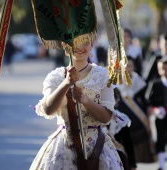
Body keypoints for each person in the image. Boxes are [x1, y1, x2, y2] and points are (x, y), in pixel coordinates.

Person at [29, 33, 124, 170]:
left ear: (92, 44)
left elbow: (106, 117)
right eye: (75, 42)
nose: (80, 47)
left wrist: (85, 100)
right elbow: (48, 110)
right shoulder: (55, 77)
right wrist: (66, 83)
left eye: (85, 42)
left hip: (96, 151)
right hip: (63, 147)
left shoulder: (102, 76)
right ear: (65, 44)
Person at [116, 57, 154, 163]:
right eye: (126, 66)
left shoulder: (138, 80)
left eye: (130, 66)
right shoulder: (117, 81)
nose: (128, 68)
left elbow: (144, 98)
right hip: (123, 115)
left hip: (137, 117)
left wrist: (148, 106)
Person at [104, 88, 137, 170]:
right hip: (102, 159)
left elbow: (128, 143)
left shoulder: (121, 119)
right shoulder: (95, 119)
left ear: (116, 100)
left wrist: (132, 164)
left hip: (120, 159)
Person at [146, 57, 167, 170]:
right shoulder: (155, 84)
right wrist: (155, 109)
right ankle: (162, 165)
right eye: (162, 69)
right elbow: (148, 100)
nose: (164, 71)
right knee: (161, 139)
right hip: (160, 116)